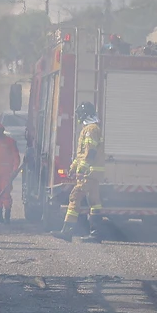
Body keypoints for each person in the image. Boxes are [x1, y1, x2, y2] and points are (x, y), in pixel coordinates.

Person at [53, 102, 104, 242]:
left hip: (89, 173)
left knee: (75, 197)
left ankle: (67, 231)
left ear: (85, 114)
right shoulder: (91, 128)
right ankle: (95, 234)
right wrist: (73, 166)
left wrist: (81, 168)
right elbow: (82, 153)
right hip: (93, 173)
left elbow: (90, 152)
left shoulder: (90, 130)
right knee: (94, 203)